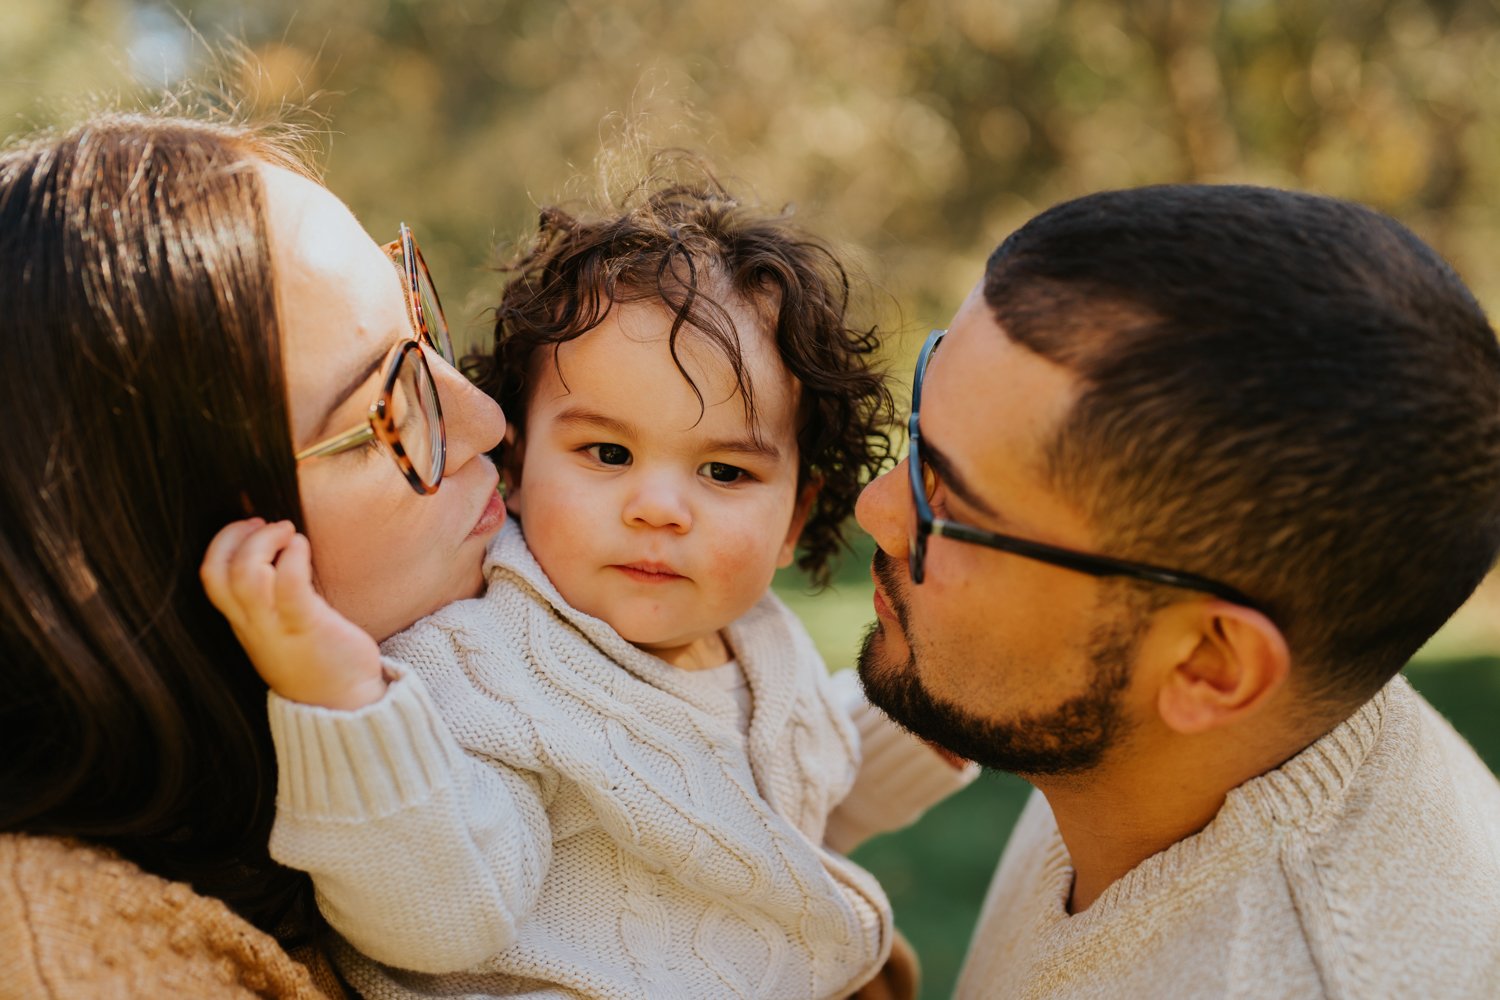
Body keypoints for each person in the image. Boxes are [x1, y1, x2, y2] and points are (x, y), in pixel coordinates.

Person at [202, 175, 973, 999]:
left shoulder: (756, 639)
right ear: (516, 466)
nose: (658, 509)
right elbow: (435, 918)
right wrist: (345, 702)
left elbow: (781, 821)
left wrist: (930, 717)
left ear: (793, 517)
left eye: (723, 470)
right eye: (608, 454)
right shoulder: (480, 659)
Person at [855, 184, 1500, 998]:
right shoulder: (1142, 735)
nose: (875, 507)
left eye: (954, 502)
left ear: (1208, 664)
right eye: (920, 432)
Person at [0, 110, 510, 996]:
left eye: (422, 335)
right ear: (148, 554)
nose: (487, 423)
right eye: (379, 420)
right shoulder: (70, 961)